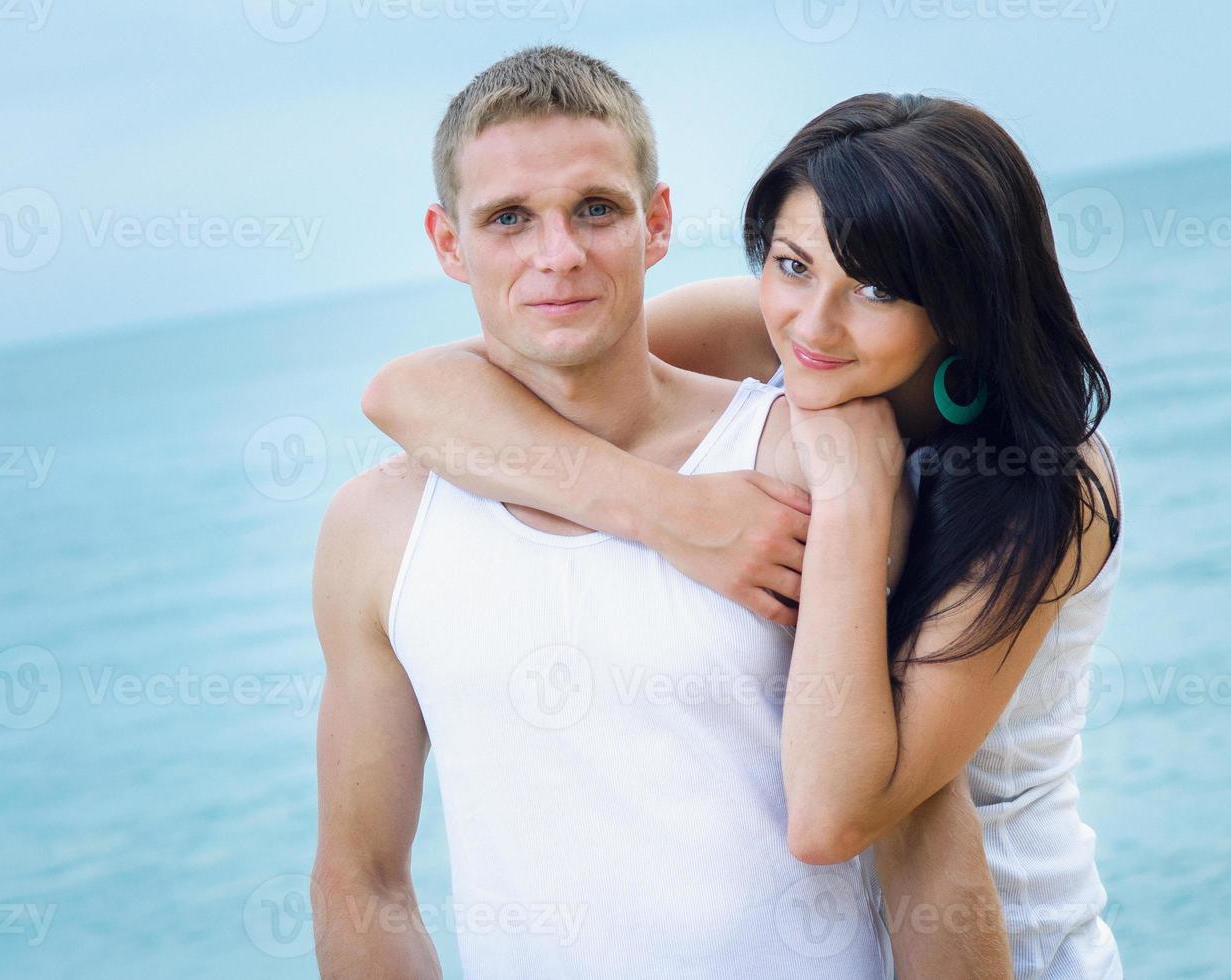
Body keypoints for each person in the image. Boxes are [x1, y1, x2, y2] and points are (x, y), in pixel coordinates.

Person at [363, 80, 1125, 977]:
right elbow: (411, 391)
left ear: (961, 300)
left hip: (1012, 948)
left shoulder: (1043, 487)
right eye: (793, 264)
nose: (814, 322)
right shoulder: (788, 337)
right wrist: (673, 513)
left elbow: (837, 811)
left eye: (877, 287)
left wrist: (854, 491)